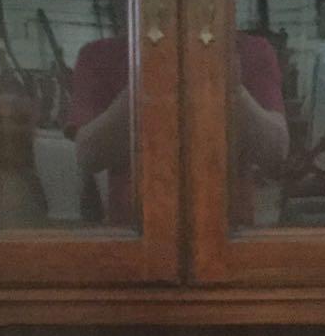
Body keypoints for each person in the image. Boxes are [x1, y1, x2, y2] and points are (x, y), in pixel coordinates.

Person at [69, 30, 288, 226]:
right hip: (137, 237)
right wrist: (143, 82)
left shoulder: (251, 50)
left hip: (225, 238)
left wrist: (234, 89)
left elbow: (276, 151)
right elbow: (88, 156)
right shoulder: (100, 55)